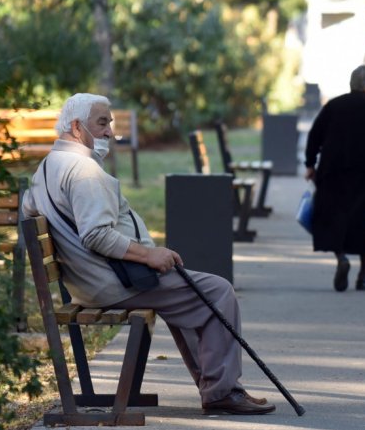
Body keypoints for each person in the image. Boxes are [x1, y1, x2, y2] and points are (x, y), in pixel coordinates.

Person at [22, 93, 275, 415]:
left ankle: (219, 389)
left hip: (88, 281)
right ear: (76, 127)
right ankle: (222, 392)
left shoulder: (47, 167)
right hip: (112, 283)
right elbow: (96, 235)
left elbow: (28, 210)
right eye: (102, 123)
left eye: (110, 123)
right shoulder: (83, 170)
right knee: (217, 291)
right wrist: (148, 255)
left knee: (192, 296)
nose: (109, 132)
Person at [304, 65, 365, 292]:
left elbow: (314, 135)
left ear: (351, 84)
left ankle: (341, 258)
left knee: (334, 216)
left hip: (334, 171)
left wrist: (310, 164)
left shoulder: (334, 106)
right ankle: (363, 276)